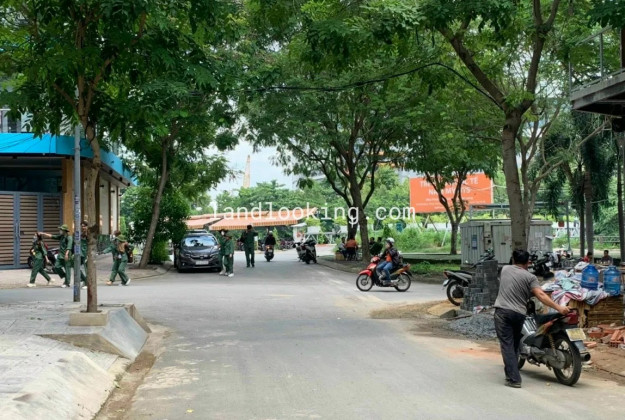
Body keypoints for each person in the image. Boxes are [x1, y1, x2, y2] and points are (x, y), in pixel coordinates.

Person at [494, 249, 570, 389]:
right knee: (514, 344)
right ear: (528, 262)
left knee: (507, 345)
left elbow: (512, 284)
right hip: (519, 314)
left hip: (503, 313)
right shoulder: (530, 277)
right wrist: (559, 308)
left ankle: (514, 379)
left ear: (513, 259)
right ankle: (511, 373)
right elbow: (540, 295)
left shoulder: (505, 270)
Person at [79, 221, 88, 290]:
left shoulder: (89, 234)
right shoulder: (81, 234)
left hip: (86, 254)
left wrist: (88, 255)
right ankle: (83, 279)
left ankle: (86, 283)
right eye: (82, 226)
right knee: (76, 267)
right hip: (81, 253)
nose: (83, 227)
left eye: (84, 226)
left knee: (86, 269)